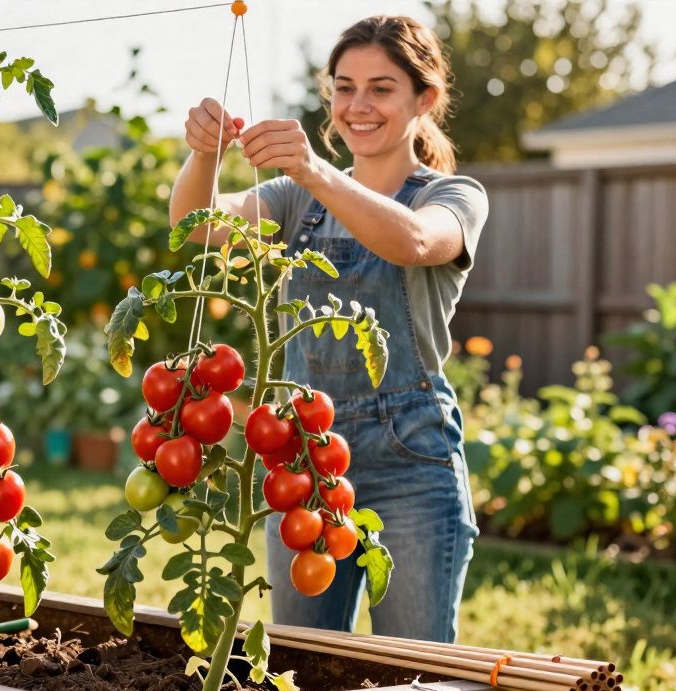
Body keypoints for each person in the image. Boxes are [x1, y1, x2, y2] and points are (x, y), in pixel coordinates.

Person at [168, 15, 488, 643]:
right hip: (298, 459)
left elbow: (413, 240)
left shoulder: (452, 195)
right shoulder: (294, 200)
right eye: (344, 88)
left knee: (411, 674)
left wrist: (316, 170)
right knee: (307, 667)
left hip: (411, 464)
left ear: (424, 100)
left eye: (381, 88)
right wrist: (204, 152)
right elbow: (195, 226)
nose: (358, 106)